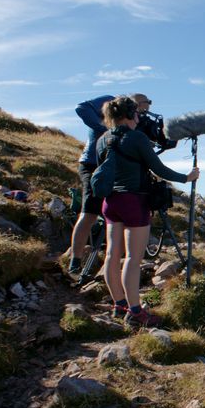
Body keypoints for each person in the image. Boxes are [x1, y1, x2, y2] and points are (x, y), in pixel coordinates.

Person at [95, 96, 199, 326]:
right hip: (134, 202)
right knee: (133, 258)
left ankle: (118, 304)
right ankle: (135, 311)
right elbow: (158, 168)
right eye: (137, 114)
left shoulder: (102, 139)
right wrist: (186, 177)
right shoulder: (137, 138)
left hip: (110, 203)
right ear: (132, 114)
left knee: (112, 255)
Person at [68, 93, 155, 274]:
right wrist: (105, 129)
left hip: (119, 168)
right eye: (144, 108)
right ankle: (75, 261)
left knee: (118, 213)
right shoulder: (110, 101)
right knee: (90, 212)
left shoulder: (134, 121)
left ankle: (115, 261)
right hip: (93, 163)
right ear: (137, 104)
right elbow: (81, 107)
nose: (144, 113)